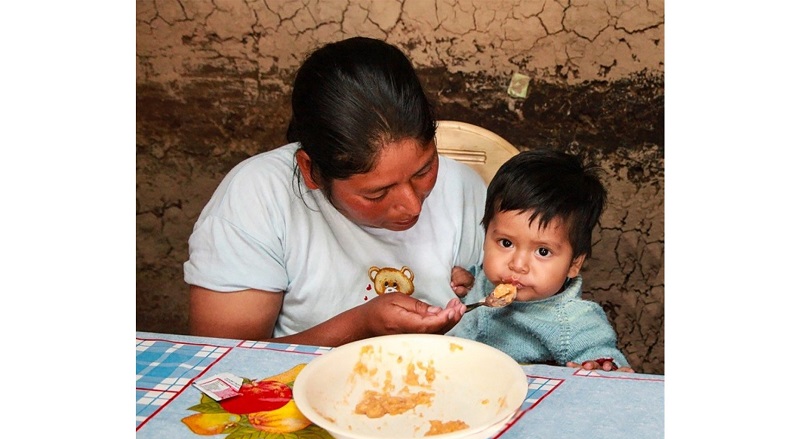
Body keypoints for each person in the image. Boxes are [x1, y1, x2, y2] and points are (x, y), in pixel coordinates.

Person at [183, 37, 484, 346]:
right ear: (311, 171)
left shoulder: (463, 187)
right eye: (376, 194)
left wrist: (482, 288)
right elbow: (224, 361)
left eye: (424, 171)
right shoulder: (257, 198)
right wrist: (361, 326)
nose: (412, 206)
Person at [447, 149, 633, 372]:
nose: (517, 265)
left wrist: (603, 366)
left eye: (542, 252)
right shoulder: (487, 283)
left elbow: (601, 354)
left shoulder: (572, 322)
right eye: (506, 243)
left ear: (574, 264)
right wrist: (470, 280)